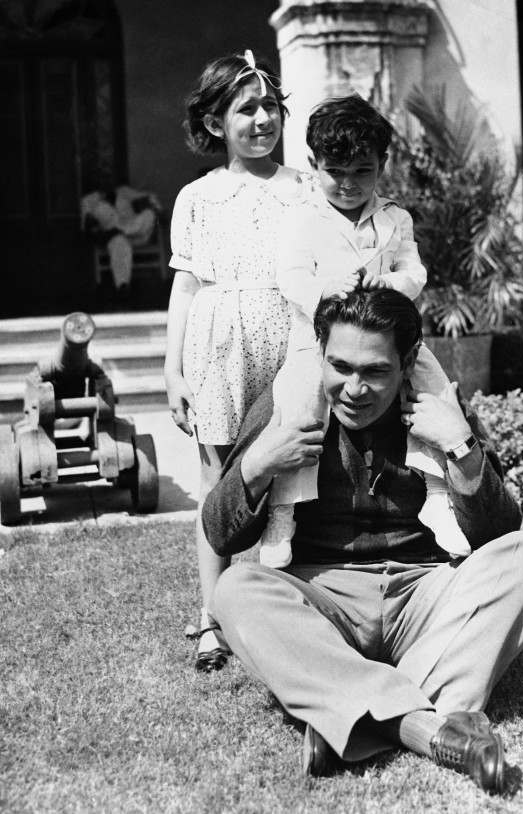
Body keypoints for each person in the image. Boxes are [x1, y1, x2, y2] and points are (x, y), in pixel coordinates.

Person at [202, 288, 523, 793]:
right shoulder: (286, 403)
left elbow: (498, 534)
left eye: (374, 372)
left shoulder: (437, 405)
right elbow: (219, 532)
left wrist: (459, 445)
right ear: (320, 355)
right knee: (236, 590)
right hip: (324, 600)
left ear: (408, 362)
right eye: (340, 367)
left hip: (426, 594)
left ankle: (346, 713)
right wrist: (259, 466)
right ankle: (430, 725)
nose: (353, 388)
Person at [259, 95, 470, 570]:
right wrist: (326, 290)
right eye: (336, 172)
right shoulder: (302, 217)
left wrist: (391, 282)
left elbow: (414, 272)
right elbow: (291, 277)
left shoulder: (396, 217)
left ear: (383, 165)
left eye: (363, 171)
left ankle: (438, 493)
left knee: (435, 387)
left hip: (385, 341)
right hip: (318, 346)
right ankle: (283, 510)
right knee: (296, 400)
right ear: (314, 164)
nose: (349, 184)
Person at [164, 50, 316, 672]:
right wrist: (173, 369)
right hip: (218, 345)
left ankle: (291, 608)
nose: (261, 120)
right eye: (244, 109)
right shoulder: (198, 198)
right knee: (218, 479)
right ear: (215, 123)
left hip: (287, 340)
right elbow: (186, 286)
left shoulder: (303, 189)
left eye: (269, 107)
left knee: (291, 473)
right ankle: (211, 616)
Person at [81, 184, 161, 296]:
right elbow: (88, 227)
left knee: (149, 214)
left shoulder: (124, 192)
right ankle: (122, 286)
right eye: (103, 175)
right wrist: (98, 229)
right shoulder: (89, 200)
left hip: (137, 234)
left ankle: (122, 230)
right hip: (113, 238)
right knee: (119, 242)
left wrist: (152, 205)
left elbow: (150, 197)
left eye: (109, 175)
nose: (107, 179)